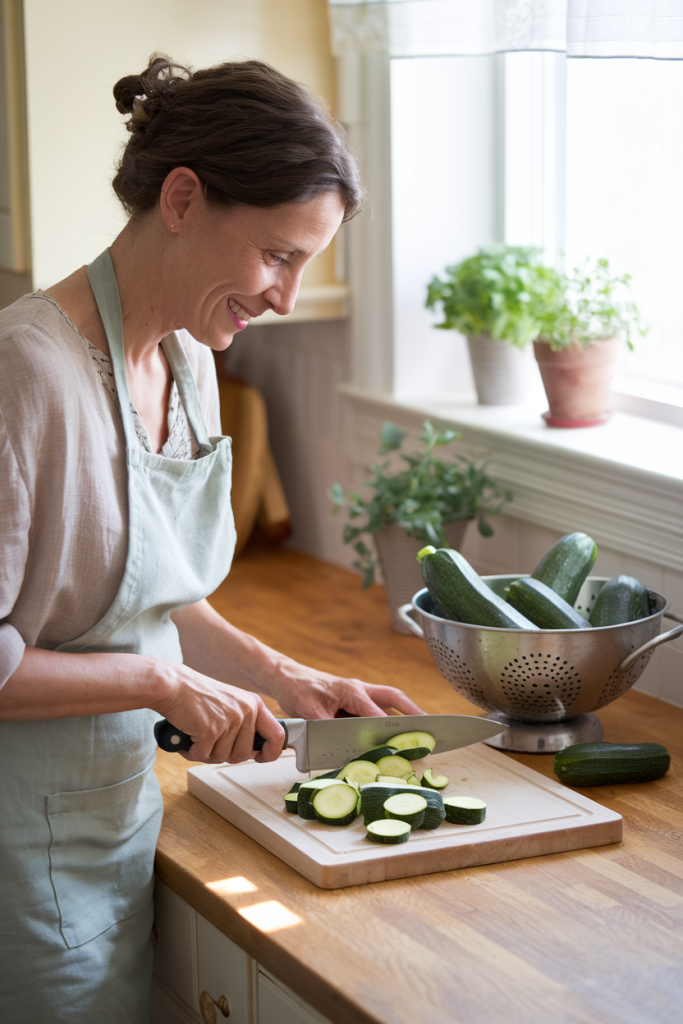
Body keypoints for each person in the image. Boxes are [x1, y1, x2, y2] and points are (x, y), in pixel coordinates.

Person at [0, 56, 423, 1022]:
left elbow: (145, 587)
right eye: (278, 255)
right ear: (182, 198)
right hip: (16, 855)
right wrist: (162, 683)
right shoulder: (27, 373)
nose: (283, 296)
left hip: (115, 821)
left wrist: (286, 676)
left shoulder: (189, 355)